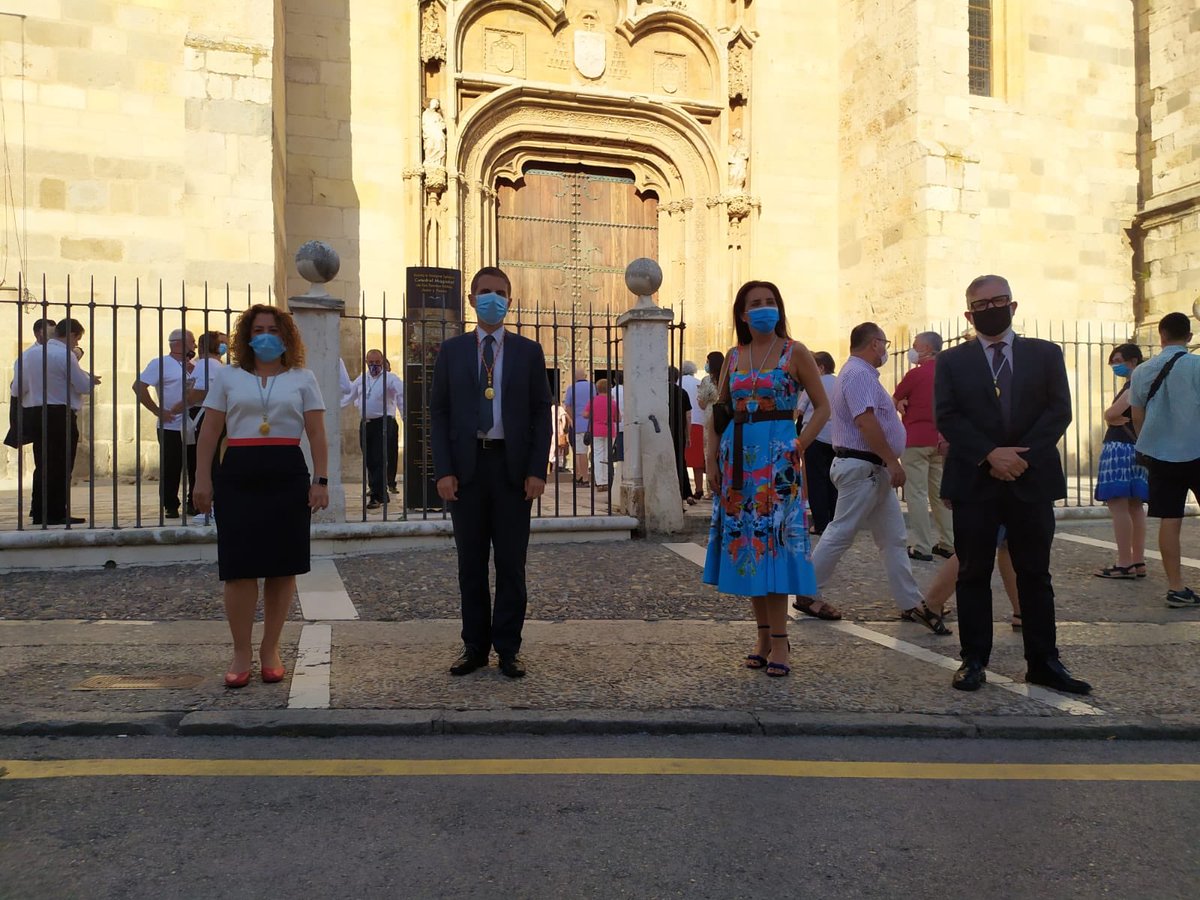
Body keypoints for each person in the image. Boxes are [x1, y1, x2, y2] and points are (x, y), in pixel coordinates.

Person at [935, 274, 1090, 694]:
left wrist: (1019, 457)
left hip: (1031, 478)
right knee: (972, 573)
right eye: (981, 305)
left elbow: (1059, 412)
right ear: (969, 313)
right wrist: (990, 454)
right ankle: (973, 660)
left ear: (1013, 305)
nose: (991, 310)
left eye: (998, 301)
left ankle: (1044, 661)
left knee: (1035, 574)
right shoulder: (951, 361)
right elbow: (947, 416)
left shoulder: (1045, 354)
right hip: (975, 480)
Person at [193, 304, 329, 688]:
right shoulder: (229, 377)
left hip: (286, 471)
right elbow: (209, 433)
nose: (265, 335)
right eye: (258, 329)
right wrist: (202, 479)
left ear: (285, 336)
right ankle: (240, 651)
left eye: (273, 329)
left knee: (282, 566)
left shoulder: (303, 377)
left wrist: (321, 480)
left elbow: (317, 432)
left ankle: (271, 649)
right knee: (238, 568)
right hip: (238, 471)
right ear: (247, 337)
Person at [703, 280, 831, 677]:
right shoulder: (733, 356)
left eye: (769, 302)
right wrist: (711, 461)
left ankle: (780, 643)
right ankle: (762, 637)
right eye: (755, 303)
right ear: (742, 313)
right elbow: (719, 412)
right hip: (737, 461)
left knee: (773, 547)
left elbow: (823, 407)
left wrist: (800, 444)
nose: (763, 308)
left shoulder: (796, 352)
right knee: (750, 550)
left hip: (778, 465)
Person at [432, 266, 552, 678]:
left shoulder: (528, 351)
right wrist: (443, 470)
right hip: (467, 469)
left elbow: (542, 412)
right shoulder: (451, 351)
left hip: (512, 470)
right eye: (484, 292)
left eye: (499, 293)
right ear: (471, 299)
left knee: (511, 564)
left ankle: (509, 648)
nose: (492, 299)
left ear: (510, 300)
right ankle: (474, 647)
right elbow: (439, 412)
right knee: (470, 565)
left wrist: (538, 468)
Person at [800, 323, 948, 634]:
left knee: (893, 539)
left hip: (872, 468)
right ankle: (807, 591)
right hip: (863, 467)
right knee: (841, 532)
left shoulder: (861, 375)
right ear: (875, 344)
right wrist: (893, 461)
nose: (886, 350)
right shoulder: (858, 374)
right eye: (884, 343)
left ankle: (911, 602)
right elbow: (865, 421)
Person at [1130, 312, 1200, 608]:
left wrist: (1147, 441)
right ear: (1189, 337)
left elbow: (1136, 414)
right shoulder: (1197, 365)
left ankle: (1176, 587)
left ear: (1161, 335)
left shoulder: (1143, 370)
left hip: (1160, 454)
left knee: (1170, 519)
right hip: (1197, 449)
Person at [13, 319, 99, 525]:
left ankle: (40, 510)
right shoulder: (65, 355)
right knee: (61, 464)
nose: (76, 344)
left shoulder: (27, 355)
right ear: (70, 335)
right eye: (77, 339)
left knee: (42, 463)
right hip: (60, 414)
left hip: (34, 413)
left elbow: (16, 389)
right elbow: (82, 385)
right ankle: (56, 512)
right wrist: (90, 380)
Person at [893, 331, 954, 561]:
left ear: (926, 349)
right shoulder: (948, 373)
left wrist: (900, 402)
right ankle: (948, 543)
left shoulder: (916, 375)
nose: (912, 349)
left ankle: (922, 545)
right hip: (941, 439)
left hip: (916, 439)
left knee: (916, 493)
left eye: (916, 345)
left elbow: (895, 398)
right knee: (939, 493)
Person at [1093, 343, 1149, 579]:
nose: (1115, 365)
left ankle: (1125, 562)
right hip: (1137, 448)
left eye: (1118, 360)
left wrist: (1109, 416)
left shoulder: (1134, 384)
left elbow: (1112, 413)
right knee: (1135, 506)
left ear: (1133, 360)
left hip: (1119, 448)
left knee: (1118, 505)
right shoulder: (1146, 384)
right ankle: (1137, 561)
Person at [133, 329, 198, 518]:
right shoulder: (160, 364)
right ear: (179, 343)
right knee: (171, 466)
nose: (194, 346)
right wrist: (157, 410)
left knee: (194, 464)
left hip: (191, 423)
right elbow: (139, 386)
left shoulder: (192, 365)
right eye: (192, 342)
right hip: (170, 425)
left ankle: (192, 502)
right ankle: (170, 504)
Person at [345, 349, 405, 511]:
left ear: (382, 362)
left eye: (377, 363)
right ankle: (378, 490)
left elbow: (401, 396)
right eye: (370, 363)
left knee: (379, 458)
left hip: (383, 422)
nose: (373, 366)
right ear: (366, 362)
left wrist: (405, 415)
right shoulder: (362, 378)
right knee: (369, 458)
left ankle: (377, 496)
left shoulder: (390, 378)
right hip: (366, 423)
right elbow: (349, 394)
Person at [797, 350, 838, 535]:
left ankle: (821, 523)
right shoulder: (840, 383)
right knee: (833, 482)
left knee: (816, 481)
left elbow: (799, 409)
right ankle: (834, 522)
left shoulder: (814, 383)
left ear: (820, 367)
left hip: (816, 435)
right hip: (836, 438)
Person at [5, 318, 55, 451]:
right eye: (50, 332)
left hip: (57, 410)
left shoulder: (58, 352)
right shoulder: (27, 357)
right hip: (38, 411)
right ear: (39, 333)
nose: (53, 336)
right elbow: (18, 388)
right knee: (42, 452)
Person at [695, 350, 724, 501]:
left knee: (710, 453)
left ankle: (711, 489)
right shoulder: (726, 377)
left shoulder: (707, 380)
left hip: (711, 418)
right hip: (725, 417)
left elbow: (701, 403)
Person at [582, 378, 619, 491]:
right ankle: (608, 480)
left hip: (596, 430)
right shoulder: (612, 402)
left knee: (597, 455)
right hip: (609, 430)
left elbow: (585, 414)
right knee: (608, 455)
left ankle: (600, 481)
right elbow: (618, 418)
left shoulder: (593, 401)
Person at [667, 365, 694, 505]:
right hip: (678, 432)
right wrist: (688, 435)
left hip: (664, 432)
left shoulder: (660, 392)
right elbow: (688, 416)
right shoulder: (682, 392)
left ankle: (667, 492)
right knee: (680, 461)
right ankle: (686, 493)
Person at [562, 369, 594, 485]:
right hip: (591, 424)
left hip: (578, 424)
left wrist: (572, 419)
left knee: (579, 452)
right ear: (585, 376)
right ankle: (598, 477)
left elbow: (568, 406)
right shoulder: (592, 387)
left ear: (575, 377)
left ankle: (582, 477)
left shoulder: (571, 388)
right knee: (595, 451)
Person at [680, 360, 705, 499]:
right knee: (697, 460)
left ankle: (682, 488)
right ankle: (699, 488)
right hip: (699, 422)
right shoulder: (699, 382)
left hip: (683, 422)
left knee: (681, 457)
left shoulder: (679, 382)